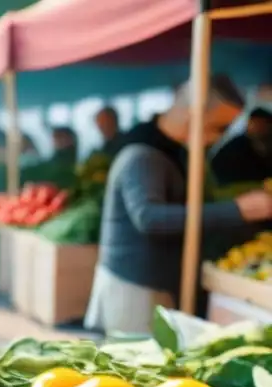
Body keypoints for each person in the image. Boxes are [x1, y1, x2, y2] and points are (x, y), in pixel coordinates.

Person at [85, 76, 272, 335]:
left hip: (156, 283)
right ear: (190, 113)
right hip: (136, 288)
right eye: (218, 127)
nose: (219, 138)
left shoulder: (177, 151)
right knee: (135, 368)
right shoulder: (142, 150)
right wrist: (237, 210)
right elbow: (149, 218)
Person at [211, 107, 272, 185]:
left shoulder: (265, 144)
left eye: (262, 124)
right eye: (254, 124)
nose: (256, 128)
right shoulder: (237, 146)